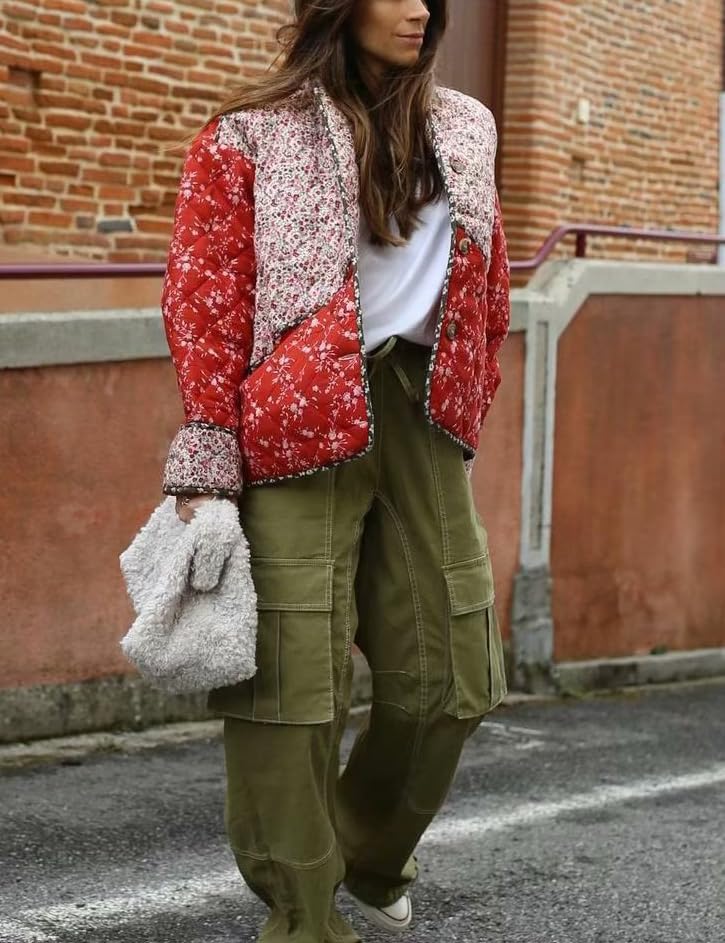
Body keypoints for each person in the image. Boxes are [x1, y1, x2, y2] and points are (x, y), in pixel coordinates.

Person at [159, 1, 511, 940]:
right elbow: (206, 297)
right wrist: (207, 456)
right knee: (290, 692)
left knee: (456, 674)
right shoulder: (249, 134)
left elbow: (488, 280)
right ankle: (304, 918)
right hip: (293, 417)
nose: (419, 9)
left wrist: (470, 389)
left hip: (420, 414)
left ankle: (366, 851)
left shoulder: (466, 126)